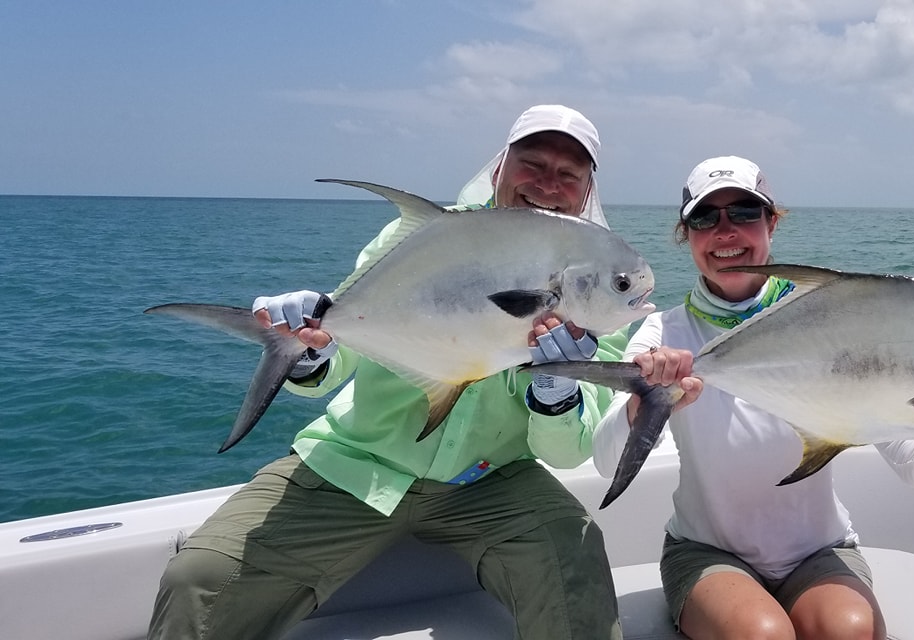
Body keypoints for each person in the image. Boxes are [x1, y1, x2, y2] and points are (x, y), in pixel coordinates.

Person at [149, 105, 624, 640]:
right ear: (500, 167)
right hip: (357, 462)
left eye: (568, 175)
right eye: (532, 164)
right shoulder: (425, 234)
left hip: (492, 479)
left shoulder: (603, 288)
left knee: (574, 564)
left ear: (586, 191)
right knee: (201, 578)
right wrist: (309, 349)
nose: (547, 184)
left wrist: (556, 392)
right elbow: (338, 361)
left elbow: (566, 452)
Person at [591, 156, 914, 640]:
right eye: (705, 218)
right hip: (707, 552)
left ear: (771, 223)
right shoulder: (665, 333)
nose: (725, 231)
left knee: (851, 632)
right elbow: (603, 457)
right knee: (762, 635)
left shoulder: (839, 323)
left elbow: (908, 458)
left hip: (819, 552)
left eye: (744, 212)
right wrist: (646, 405)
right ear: (687, 235)